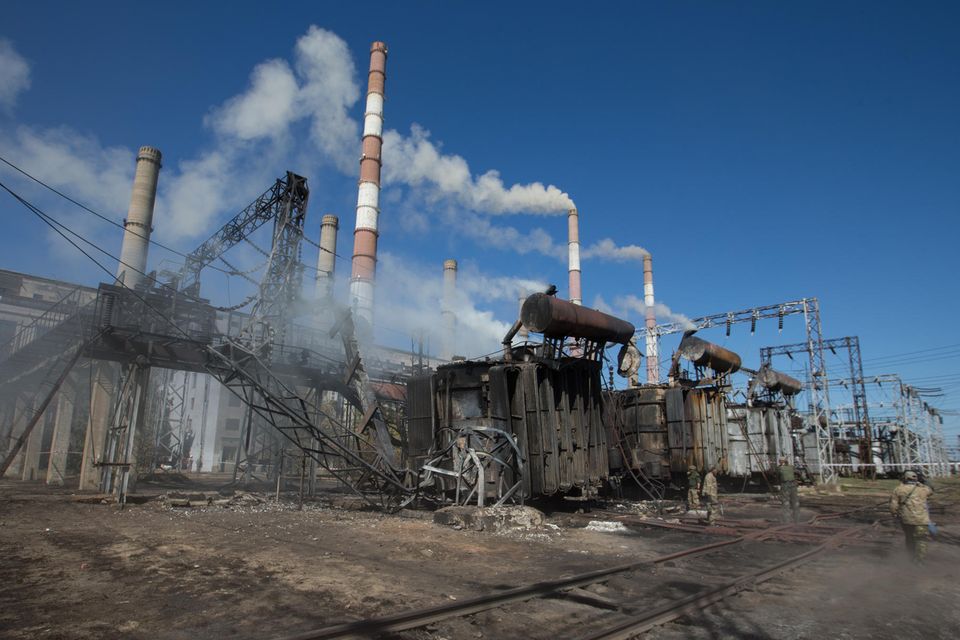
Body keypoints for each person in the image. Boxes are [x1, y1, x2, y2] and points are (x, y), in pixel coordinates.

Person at [890, 470, 934, 564]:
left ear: (904, 478)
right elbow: (931, 489)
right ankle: (919, 560)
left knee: (909, 538)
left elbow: (893, 505)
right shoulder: (923, 489)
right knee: (921, 540)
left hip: (906, 519)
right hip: (921, 520)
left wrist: (894, 514)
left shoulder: (898, 489)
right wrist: (924, 481)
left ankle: (910, 556)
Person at [778, 457, 800, 523]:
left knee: (785, 503)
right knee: (795, 502)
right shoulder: (791, 467)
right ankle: (797, 519)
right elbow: (798, 473)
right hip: (793, 486)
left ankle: (786, 520)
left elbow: (776, 474)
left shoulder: (780, 468)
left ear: (781, 462)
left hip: (785, 486)